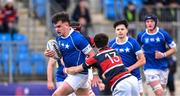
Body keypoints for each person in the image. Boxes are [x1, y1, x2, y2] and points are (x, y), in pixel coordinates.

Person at [64, 33, 140, 96]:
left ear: (95, 45)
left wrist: (66, 70)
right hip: (132, 79)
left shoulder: (95, 58)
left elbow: (78, 69)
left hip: (121, 84)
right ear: (107, 43)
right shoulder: (115, 51)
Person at [44, 12, 95, 96]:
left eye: (59, 26)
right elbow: (58, 55)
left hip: (79, 75)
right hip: (71, 74)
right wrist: (48, 53)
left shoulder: (78, 38)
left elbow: (92, 55)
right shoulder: (59, 39)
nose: (56, 29)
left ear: (67, 25)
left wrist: (82, 68)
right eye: (55, 27)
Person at [137, 14, 177, 96]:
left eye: (151, 21)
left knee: (162, 91)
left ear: (156, 22)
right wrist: (140, 57)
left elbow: (174, 49)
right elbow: (137, 51)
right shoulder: (141, 35)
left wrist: (163, 54)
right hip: (149, 67)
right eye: (147, 22)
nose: (149, 23)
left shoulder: (163, 34)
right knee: (159, 92)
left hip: (163, 67)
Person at [109, 20, 146, 96]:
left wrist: (130, 68)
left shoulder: (133, 42)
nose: (120, 31)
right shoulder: (111, 44)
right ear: (115, 31)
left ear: (126, 30)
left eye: (122, 29)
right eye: (118, 29)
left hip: (134, 76)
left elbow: (142, 60)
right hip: (119, 77)